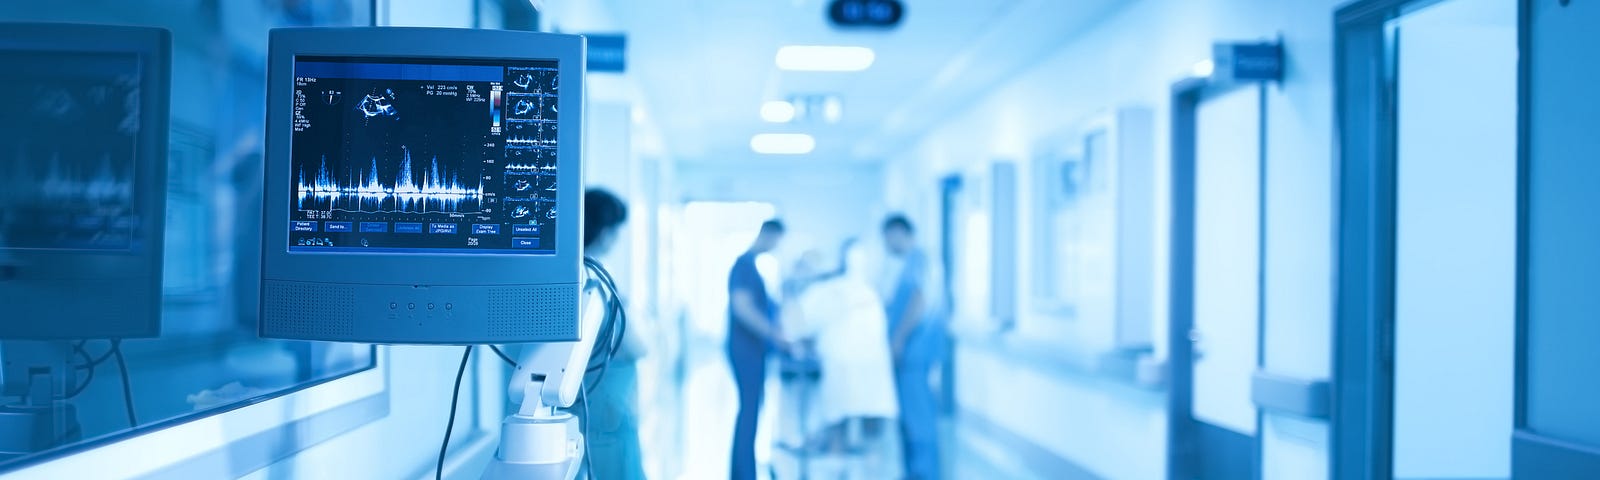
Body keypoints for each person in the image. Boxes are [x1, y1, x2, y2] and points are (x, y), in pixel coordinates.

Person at [577, 189, 648, 480]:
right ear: (605, 231)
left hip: (595, 405)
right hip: (607, 407)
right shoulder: (594, 277)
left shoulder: (577, 273)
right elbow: (633, 346)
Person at [881, 215, 942, 480]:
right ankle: (914, 473)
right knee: (909, 420)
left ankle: (925, 474)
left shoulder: (920, 260)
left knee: (919, 421)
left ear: (898, 232)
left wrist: (899, 339)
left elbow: (919, 300)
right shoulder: (912, 262)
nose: (885, 244)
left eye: (887, 237)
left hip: (914, 354)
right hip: (910, 354)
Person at [727, 219, 787, 480]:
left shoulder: (752, 268)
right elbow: (742, 308)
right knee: (749, 410)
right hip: (745, 351)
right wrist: (775, 334)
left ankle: (744, 471)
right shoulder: (744, 266)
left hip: (753, 351)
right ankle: (743, 474)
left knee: (751, 409)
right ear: (768, 234)